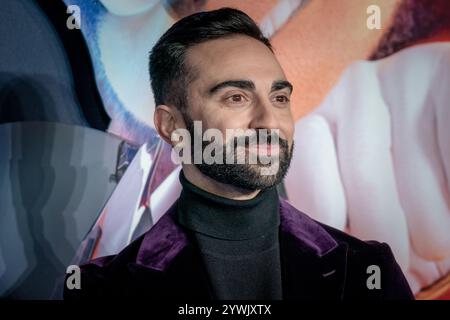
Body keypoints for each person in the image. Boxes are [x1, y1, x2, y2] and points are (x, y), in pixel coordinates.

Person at [64, 8, 413, 300]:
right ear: (171, 125)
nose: (269, 122)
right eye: (236, 98)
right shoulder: (103, 290)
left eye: (279, 98)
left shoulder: (368, 270)